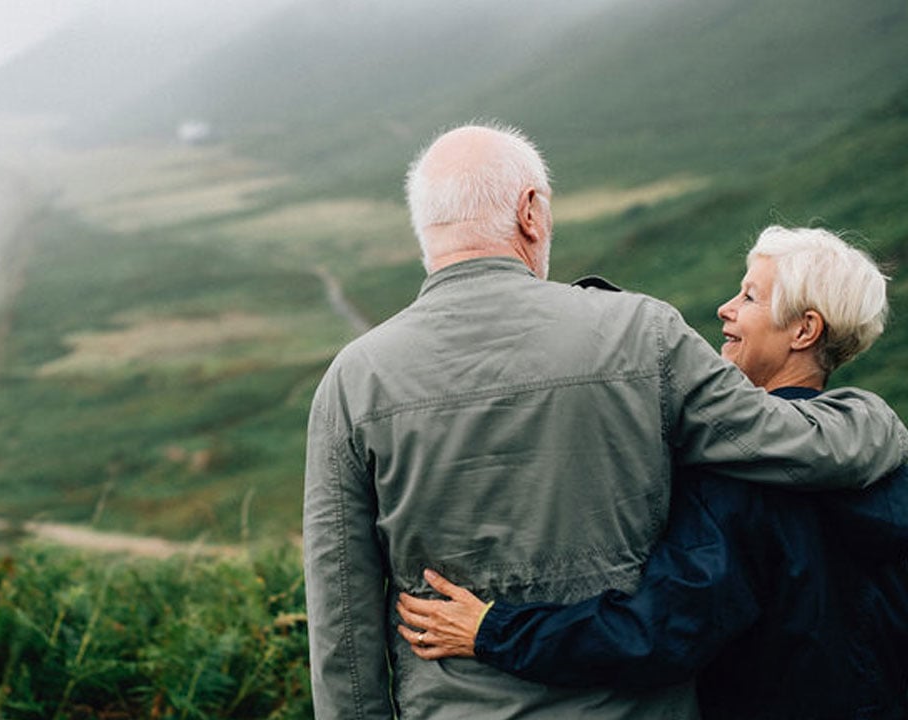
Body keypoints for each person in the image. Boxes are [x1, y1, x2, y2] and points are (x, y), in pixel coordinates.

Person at [302, 123, 908, 719]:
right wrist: (876, 421)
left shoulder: (352, 380)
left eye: (750, 296)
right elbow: (789, 441)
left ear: (425, 231)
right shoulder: (643, 334)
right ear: (531, 212)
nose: (729, 307)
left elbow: (341, 623)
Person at [395, 226, 908, 718]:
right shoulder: (887, 467)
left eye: (750, 298)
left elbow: (659, 635)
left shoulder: (737, 479)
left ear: (805, 330)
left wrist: (491, 630)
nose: (725, 309)